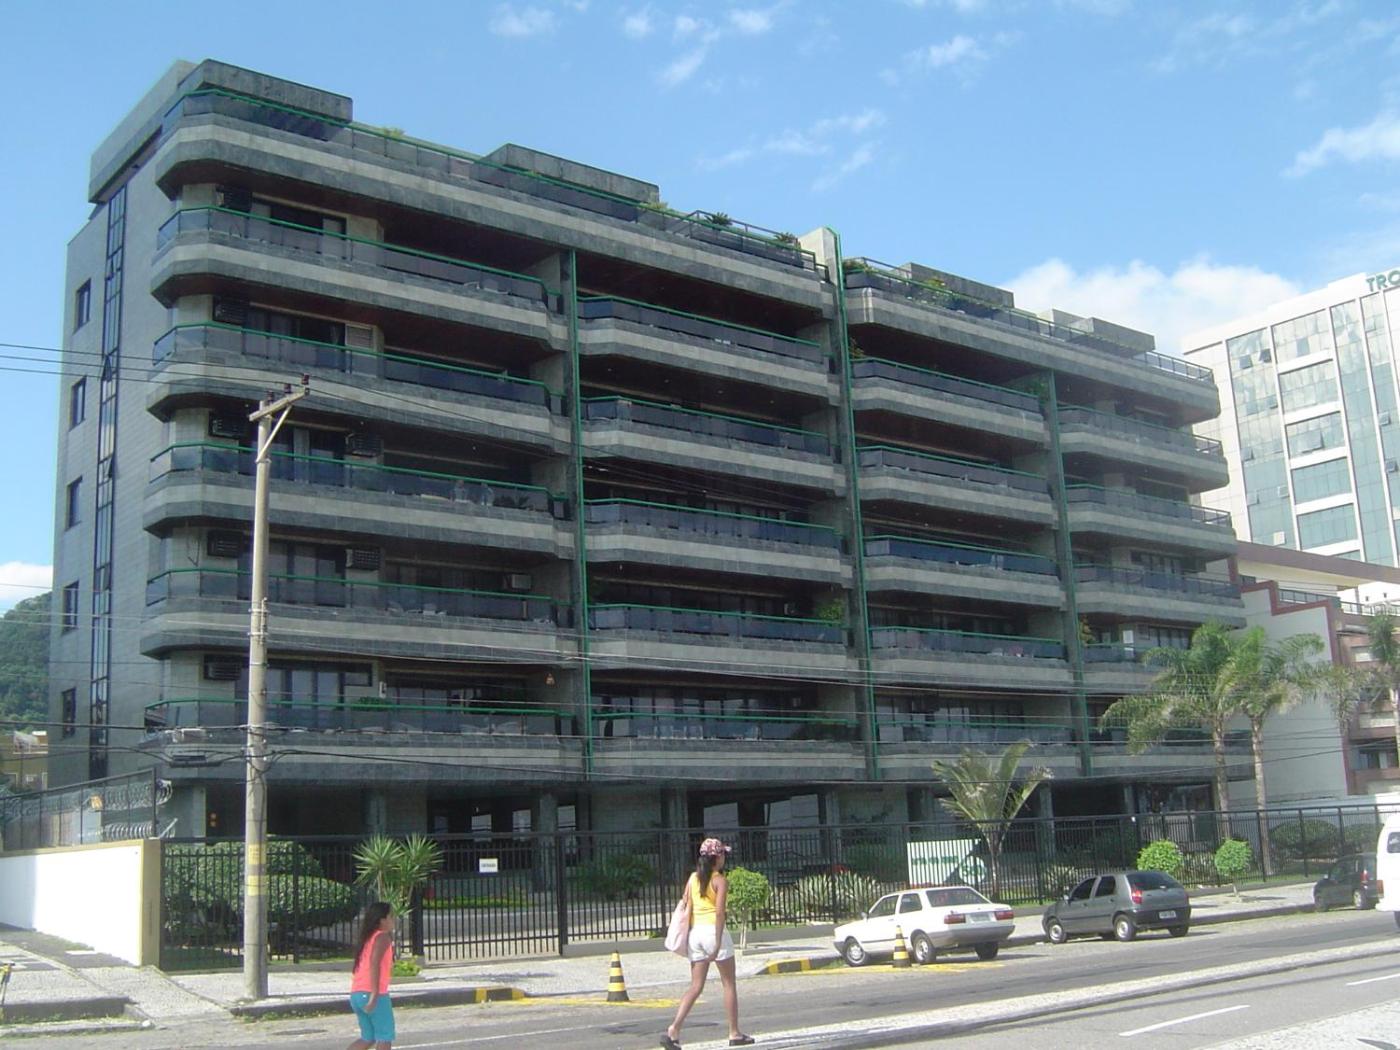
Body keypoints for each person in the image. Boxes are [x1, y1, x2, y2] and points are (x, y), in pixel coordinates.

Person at [662, 837, 753, 1049]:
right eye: (723, 854)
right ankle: (734, 1032)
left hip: (695, 934)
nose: (724, 858)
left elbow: (686, 904)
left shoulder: (693, 878)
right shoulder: (720, 880)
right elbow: (720, 913)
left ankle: (674, 1029)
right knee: (728, 984)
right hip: (713, 931)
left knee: (695, 986)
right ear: (717, 857)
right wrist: (718, 941)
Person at [348, 901, 395, 1050]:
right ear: (382, 920)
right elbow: (374, 964)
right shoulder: (382, 937)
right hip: (373, 992)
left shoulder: (368, 938)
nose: (393, 920)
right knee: (385, 1036)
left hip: (357, 993)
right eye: (390, 916)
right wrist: (374, 994)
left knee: (368, 1038)